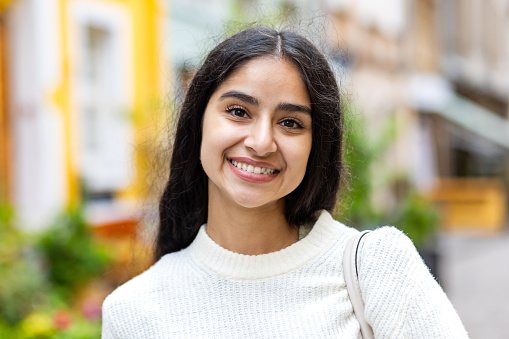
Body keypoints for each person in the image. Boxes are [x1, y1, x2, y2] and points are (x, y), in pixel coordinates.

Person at [101, 26, 468, 338]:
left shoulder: (376, 267)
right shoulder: (134, 311)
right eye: (238, 111)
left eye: (291, 122)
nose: (261, 142)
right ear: (198, 123)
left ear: (316, 146)